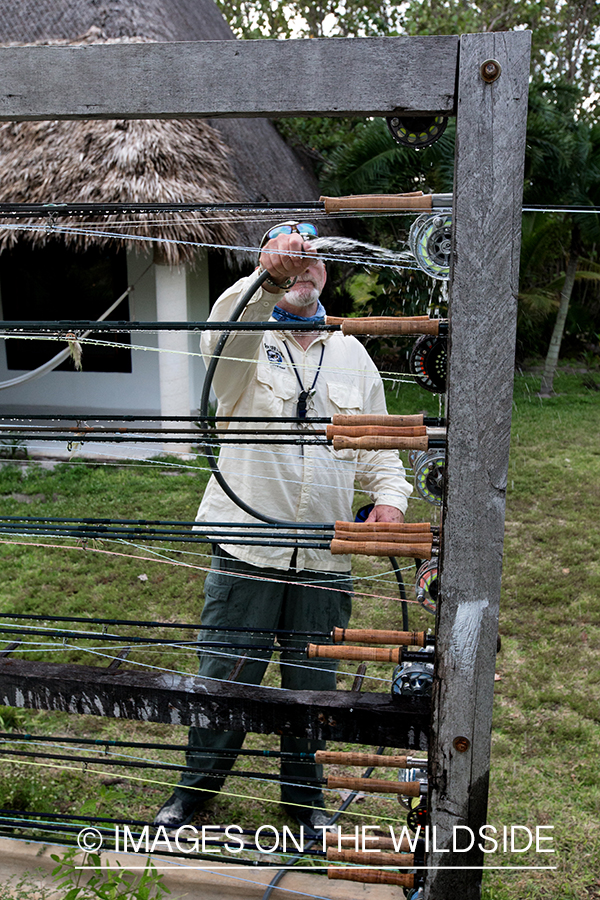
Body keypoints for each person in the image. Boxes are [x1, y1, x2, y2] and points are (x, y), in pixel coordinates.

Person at [154, 222, 412, 832]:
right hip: (246, 549)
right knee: (225, 679)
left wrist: (391, 499)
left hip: (326, 560)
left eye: (313, 257)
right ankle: (194, 792)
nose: (305, 264)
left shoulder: (352, 352)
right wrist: (264, 277)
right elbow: (221, 344)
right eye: (289, 255)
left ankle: (304, 808)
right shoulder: (244, 334)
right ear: (268, 267)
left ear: (325, 273)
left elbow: (381, 448)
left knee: (314, 690)